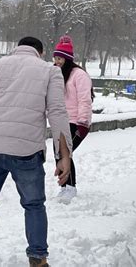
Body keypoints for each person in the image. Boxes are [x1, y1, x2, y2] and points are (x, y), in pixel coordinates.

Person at [0, 37, 73, 267]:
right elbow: (57, 113)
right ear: (40, 52)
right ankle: (38, 259)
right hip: (26, 151)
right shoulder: (50, 71)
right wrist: (64, 156)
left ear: (16, 48)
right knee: (34, 205)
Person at [53, 35, 93, 203]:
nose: (57, 61)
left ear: (68, 59)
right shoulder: (57, 74)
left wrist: (82, 123)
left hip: (76, 122)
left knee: (65, 154)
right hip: (61, 121)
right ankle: (65, 187)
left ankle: (70, 188)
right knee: (59, 155)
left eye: (60, 58)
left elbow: (85, 99)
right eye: (55, 57)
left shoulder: (79, 75)